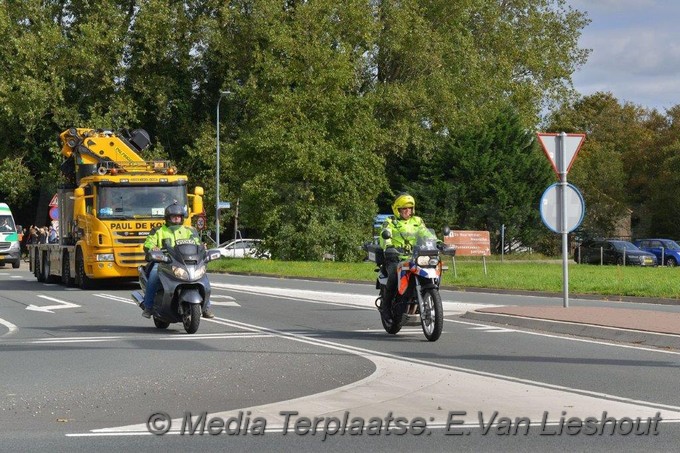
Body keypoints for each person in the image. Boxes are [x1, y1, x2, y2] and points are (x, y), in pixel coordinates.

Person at [141, 202, 215, 319]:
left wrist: (202, 248)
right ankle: (148, 307)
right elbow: (148, 243)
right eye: (174, 216)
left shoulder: (189, 231)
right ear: (168, 218)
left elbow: (197, 243)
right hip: (163, 261)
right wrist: (152, 248)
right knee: (154, 275)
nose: (176, 219)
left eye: (179, 217)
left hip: (183, 262)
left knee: (203, 277)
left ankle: (206, 307)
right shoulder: (158, 231)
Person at [379, 193, 435, 316]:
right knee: (393, 275)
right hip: (395, 257)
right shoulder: (390, 221)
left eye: (410, 208)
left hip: (415, 257)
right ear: (397, 210)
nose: (407, 211)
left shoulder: (417, 221)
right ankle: (387, 307)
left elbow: (426, 233)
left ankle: (427, 297)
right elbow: (384, 234)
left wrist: (438, 242)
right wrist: (388, 247)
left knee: (430, 271)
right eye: (404, 208)